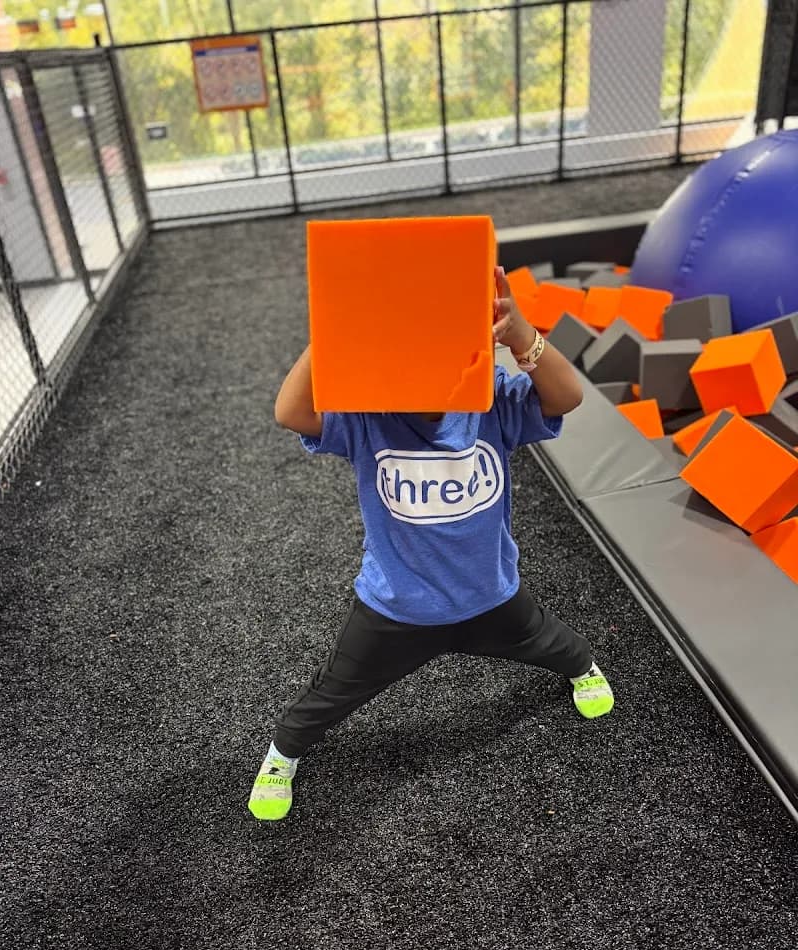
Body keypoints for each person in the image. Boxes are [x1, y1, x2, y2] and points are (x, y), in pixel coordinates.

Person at [249, 265, 613, 821]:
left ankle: (584, 667)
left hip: (488, 595)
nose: (426, 377)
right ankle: (283, 754)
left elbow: (566, 398)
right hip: (395, 608)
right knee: (332, 691)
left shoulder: (487, 405)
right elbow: (290, 412)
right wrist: (330, 334)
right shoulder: (369, 418)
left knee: (550, 642)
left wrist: (522, 338)